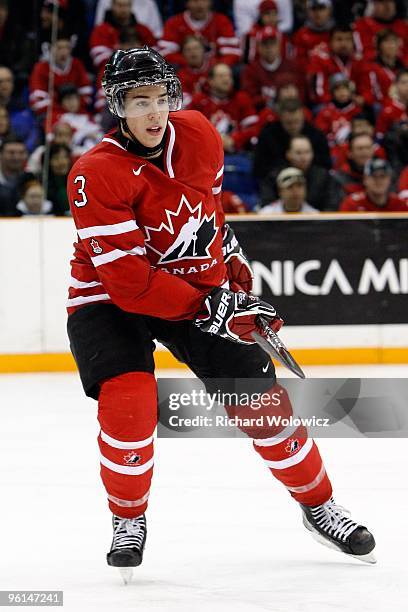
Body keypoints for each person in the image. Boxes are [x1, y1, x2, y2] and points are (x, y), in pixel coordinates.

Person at [66, 46, 375, 575]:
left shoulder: (199, 133)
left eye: (162, 98)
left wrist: (231, 264)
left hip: (189, 281)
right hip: (108, 296)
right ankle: (128, 517)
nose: (154, 112)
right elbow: (132, 285)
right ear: (118, 106)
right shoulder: (94, 174)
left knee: (262, 407)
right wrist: (216, 308)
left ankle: (319, 505)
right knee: (130, 400)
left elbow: (206, 214)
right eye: (139, 101)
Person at [253, 97, 331, 181]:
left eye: (297, 121)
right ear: (281, 118)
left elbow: (325, 164)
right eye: (289, 123)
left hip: (311, 180)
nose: (294, 126)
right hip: (277, 181)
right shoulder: (268, 135)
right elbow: (260, 167)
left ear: (302, 117)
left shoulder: (316, 135)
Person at [188, 62, 259, 152]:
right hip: (205, 153)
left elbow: (253, 128)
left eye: (229, 76)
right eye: (221, 76)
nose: (226, 79)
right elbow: (190, 130)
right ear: (210, 81)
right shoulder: (199, 101)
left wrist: (234, 140)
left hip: (237, 154)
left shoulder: (242, 98)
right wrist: (214, 140)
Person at [259, 135, 336, 210]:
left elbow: (331, 205)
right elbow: (267, 202)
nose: (303, 157)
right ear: (288, 154)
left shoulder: (323, 176)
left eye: (307, 152)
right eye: (298, 153)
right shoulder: (275, 176)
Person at [158, 0, 241, 68]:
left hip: (214, 72)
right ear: (187, 3)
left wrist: (216, 65)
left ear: (210, 2)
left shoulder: (221, 21)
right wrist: (189, 62)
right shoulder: (174, 23)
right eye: (195, 1)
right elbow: (165, 53)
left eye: (204, 0)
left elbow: (232, 53)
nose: (200, 5)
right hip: (184, 72)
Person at [240, 26, 305, 110]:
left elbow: (302, 92)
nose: (269, 48)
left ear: (279, 45)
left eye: (272, 43)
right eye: (265, 44)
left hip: (292, 110)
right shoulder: (250, 70)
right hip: (264, 111)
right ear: (258, 47)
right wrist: (271, 101)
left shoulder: (293, 66)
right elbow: (249, 97)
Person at [29, 32, 92, 118]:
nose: (64, 52)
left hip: (78, 112)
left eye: (67, 47)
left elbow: (86, 93)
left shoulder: (77, 64)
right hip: (52, 115)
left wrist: (75, 107)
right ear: (50, 49)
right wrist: (62, 110)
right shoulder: (41, 68)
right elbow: (38, 101)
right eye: (59, 48)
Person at [90, 0, 156, 70]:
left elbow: (156, 55)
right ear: (112, 6)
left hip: (143, 72)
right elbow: (99, 58)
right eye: (120, 5)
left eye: (127, 5)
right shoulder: (101, 30)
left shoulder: (143, 29)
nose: (123, 9)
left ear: (131, 6)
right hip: (112, 74)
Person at [339, 158, 408, 212]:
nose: (378, 181)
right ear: (365, 179)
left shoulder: (399, 205)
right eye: (374, 176)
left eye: (382, 176)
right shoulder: (352, 204)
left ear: (389, 179)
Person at [314, 73, 362, 148]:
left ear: (350, 90)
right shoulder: (325, 112)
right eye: (337, 89)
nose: (342, 92)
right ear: (332, 92)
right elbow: (320, 135)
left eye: (345, 88)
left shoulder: (358, 111)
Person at [332, 133, 377, 207]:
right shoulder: (338, 179)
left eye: (368, 148)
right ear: (350, 153)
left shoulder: (384, 175)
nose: (365, 152)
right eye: (360, 148)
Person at [292, 0, 335, 70]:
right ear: (307, 11)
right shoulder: (300, 35)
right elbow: (298, 62)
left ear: (329, 10)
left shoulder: (337, 33)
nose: (317, 13)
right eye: (313, 9)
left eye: (321, 8)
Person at [376, 68, 408, 140]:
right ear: (396, 85)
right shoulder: (388, 109)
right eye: (404, 82)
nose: (407, 86)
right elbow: (380, 136)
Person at [0, 136, 28, 215]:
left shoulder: (32, 178)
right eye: (11, 153)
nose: (16, 157)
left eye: (21, 153)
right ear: (1, 154)